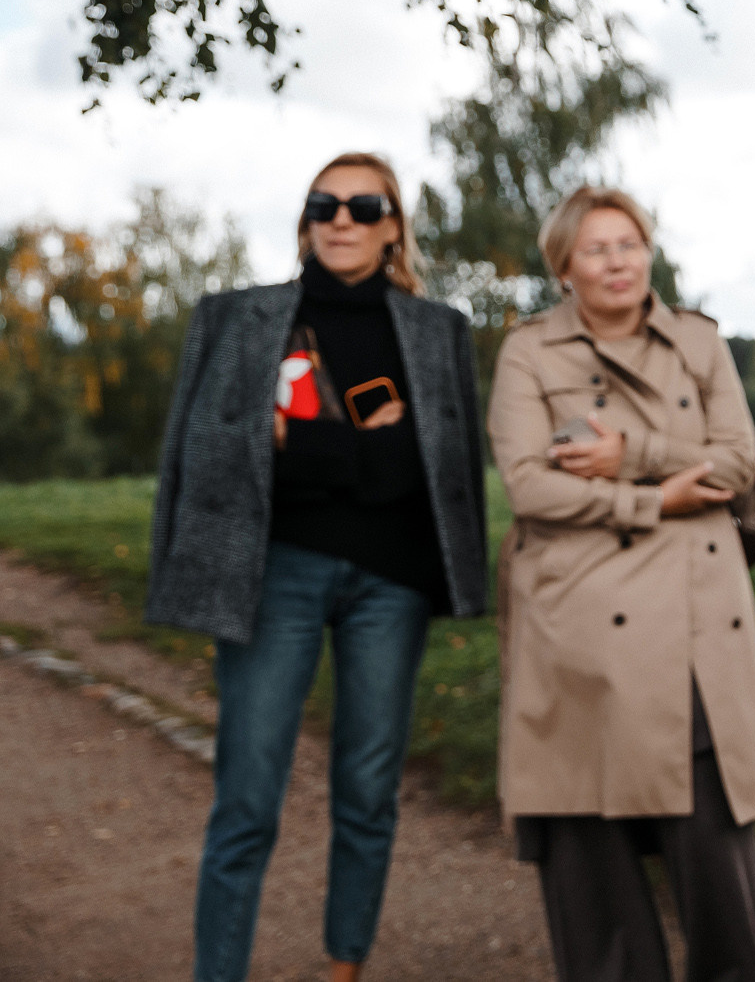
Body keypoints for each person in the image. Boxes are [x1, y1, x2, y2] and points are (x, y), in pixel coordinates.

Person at [147, 151, 488, 982]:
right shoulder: (238, 319)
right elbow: (211, 450)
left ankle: (345, 968)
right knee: (247, 796)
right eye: (324, 204)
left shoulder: (437, 331)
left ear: (394, 227)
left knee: (368, 790)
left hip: (392, 582)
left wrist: (297, 442)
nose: (342, 218)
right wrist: (367, 448)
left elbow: (428, 465)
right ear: (304, 220)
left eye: (364, 205)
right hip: (274, 575)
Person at [488, 185, 755, 982]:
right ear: (563, 267)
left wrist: (636, 453)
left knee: (720, 885)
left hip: (693, 625)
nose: (617, 261)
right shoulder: (529, 352)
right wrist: (656, 497)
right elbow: (528, 487)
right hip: (574, 630)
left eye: (629, 243)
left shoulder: (696, 340)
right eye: (596, 248)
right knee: (598, 898)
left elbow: (737, 461)